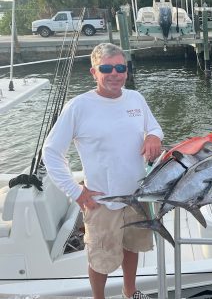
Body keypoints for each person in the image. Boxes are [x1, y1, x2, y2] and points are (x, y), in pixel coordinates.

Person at [42, 43, 163, 299]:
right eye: (106, 68)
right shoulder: (78, 106)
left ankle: (130, 293)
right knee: (101, 259)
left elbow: (154, 127)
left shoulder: (135, 98)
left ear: (126, 71)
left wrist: (153, 136)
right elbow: (51, 153)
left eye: (120, 67)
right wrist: (75, 192)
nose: (115, 74)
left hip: (137, 194)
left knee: (132, 246)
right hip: (101, 200)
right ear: (93, 72)